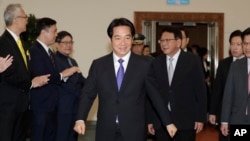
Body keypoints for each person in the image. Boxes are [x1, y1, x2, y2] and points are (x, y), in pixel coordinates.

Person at [74, 17, 177, 141]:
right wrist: (80, 119)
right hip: (106, 129)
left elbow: (155, 96)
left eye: (127, 37)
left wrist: (168, 122)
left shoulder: (144, 65)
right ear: (110, 40)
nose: (123, 43)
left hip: (134, 130)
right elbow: (88, 94)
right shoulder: (99, 65)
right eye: (118, 38)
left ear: (132, 39)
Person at [0, 3, 50, 141]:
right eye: (25, 17)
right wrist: (30, 83)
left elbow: (24, 69)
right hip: (9, 107)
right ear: (15, 20)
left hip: (21, 105)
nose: (27, 20)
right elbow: (8, 74)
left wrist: (36, 78)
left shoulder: (19, 42)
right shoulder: (3, 43)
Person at [147, 26, 207, 141]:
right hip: (161, 121)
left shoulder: (192, 60)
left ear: (178, 42)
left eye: (168, 40)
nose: (164, 44)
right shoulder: (156, 62)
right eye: (162, 41)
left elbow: (200, 90)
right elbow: (152, 94)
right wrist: (150, 120)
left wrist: (200, 117)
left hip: (186, 119)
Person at [28, 17, 80, 141]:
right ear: (43, 32)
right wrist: (63, 74)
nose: (56, 34)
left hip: (52, 107)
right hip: (41, 107)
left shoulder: (49, 52)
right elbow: (44, 76)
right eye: (54, 31)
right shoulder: (34, 50)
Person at [209, 30, 244, 141]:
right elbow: (217, 89)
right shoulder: (224, 64)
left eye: (238, 44)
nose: (234, 47)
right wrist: (213, 111)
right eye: (232, 44)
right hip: (225, 112)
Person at [54, 31, 86, 141]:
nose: (69, 45)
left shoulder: (72, 61)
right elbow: (60, 83)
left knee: (73, 137)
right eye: (65, 42)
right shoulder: (53, 60)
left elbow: (81, 80)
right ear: (57, 44)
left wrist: (96, 84)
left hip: (75, 107)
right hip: (63, 108)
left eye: (71, 42)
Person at [220, 27, 250, 138]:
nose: (247, 47)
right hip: (238, 119)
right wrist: (224, 121)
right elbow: (228, 95)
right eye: (245, 44)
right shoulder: (235, 65)